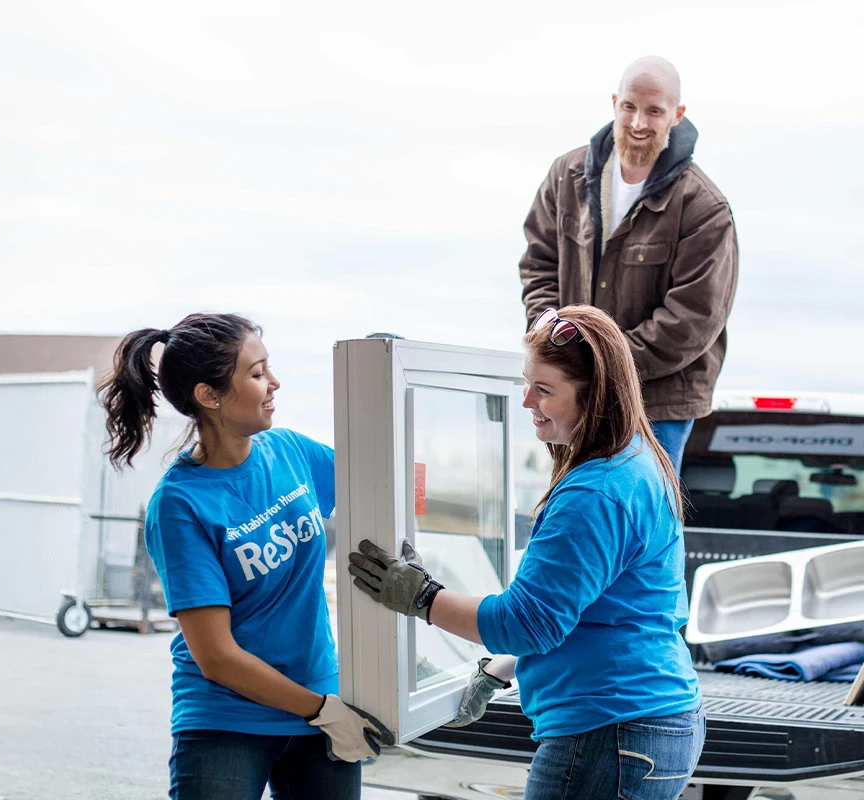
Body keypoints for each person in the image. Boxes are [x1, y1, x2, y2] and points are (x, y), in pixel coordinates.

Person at [349, 305, 705, 800]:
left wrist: (422, 597)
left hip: (610, 733)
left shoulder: (595, 493)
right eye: (525, 382)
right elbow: (601, 611)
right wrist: (503, 665)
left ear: (593, 393)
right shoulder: (635, 461)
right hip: (646, 721)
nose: (525, 401)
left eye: (544, 389)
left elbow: (528, 622)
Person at [100, 312, 390, 800]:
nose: (274, 383)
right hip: (229, 720)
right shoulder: (180, 505)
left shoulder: (289, 451)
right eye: (256, 374)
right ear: (209, 396)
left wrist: (387, 391)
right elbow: (217, 657)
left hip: (321, 703)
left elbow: (381, 481)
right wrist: (322, 710)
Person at [517, 55, 739, 469]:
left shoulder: (704, 207)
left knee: (646, 520)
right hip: (574, 391)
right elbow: (539, 265)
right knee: (580, 509)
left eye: (654, 111)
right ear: (615, 102)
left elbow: (694, 319)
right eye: (630, 108)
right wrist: (556, 342)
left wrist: (601, 362)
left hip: (658, 403)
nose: (638, 123)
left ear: (677, 115)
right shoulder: (565, 176)